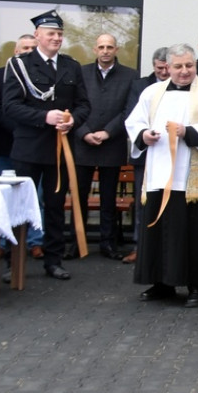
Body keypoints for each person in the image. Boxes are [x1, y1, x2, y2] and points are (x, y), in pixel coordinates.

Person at [125, 43, 198, 307]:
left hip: (195, 179)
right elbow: (134, 122)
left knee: (196, 232)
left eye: (189, 65)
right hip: (159, 173)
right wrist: (144, 135)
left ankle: (197, 286)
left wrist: (187, 132)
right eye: (178, 66)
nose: (184, 71)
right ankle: (161, 282)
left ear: (195, 64)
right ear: (167, 67)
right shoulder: (152, 92)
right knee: (161, 229)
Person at [2, 9, 91, 281]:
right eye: (51, 33)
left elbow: (83, 104)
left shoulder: (71, 66)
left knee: (55, 206)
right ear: (37, 35)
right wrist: (44, 117)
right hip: (28, 148)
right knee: (19, 207)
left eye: (60, 34)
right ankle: (13, 262)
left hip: (59, 149)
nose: (56, 38)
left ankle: (54, 261)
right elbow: (10, 106)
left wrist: (72, 120)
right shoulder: (19, 65)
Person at [72, 33, 138, 260]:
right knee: (79, 197)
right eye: (101, 47)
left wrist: (108, 132)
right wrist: (84, 132)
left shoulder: (130, 75)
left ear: (116, 49)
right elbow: (73, 105)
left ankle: (108, 244)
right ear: (95, 49)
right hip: (83, 143)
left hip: (112, 144)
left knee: (108, 199)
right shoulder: (81, 73)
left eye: (110, 47)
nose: (105, 51)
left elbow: (129, 110)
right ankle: (76, 243)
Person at [0, 34, 45, 258]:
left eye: (32, 48)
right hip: (5, 145)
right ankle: (3, 242)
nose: (28, 51)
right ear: (15, 51)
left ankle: (35, 241)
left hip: (34, 147)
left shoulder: (43, 76)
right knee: (3, 199)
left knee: (35, 197)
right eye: (24, 48)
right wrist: (19, 129)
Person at [121, 46, 171, 265]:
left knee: (169, 201)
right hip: (146, 153)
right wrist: (144, 133)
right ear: (153, 66)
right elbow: (131, 115)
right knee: (144, 202)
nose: (164, 73)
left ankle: (165, 247)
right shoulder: (140, 86)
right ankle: (139, 246)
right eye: (160, 68)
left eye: (167, 68)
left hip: (172, 154)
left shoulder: (184, 87)